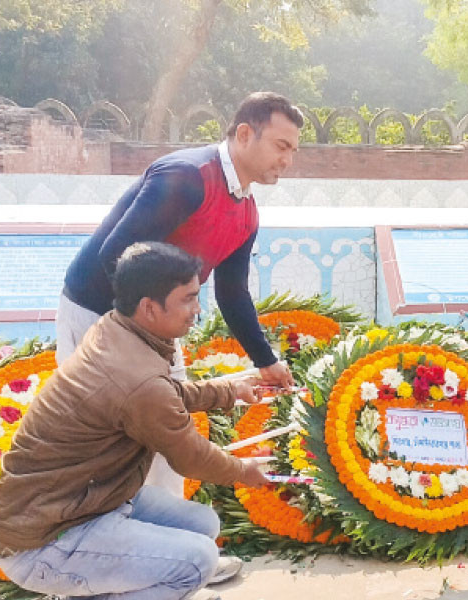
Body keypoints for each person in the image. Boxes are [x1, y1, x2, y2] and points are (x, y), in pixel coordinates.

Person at [0, 242, 274, 600]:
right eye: (187, 299)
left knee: (203, 525)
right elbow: (191, 456)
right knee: (198, 561)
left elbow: (161, 395)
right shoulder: (137, 378)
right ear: (149, 308)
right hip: (45, 540)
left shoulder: (116, 329)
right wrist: (244, 471)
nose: (196, 310)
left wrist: (229, 390)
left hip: (92, 502)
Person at [58, 92, 301, 501]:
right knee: (104, 439)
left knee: (170, 430)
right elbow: (113, 257)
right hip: (98, 314)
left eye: (293, 150)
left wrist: (266, 361)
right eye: (281, 146)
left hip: (154, 326)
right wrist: (136, 345)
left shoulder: (247, 213)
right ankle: (91, 546)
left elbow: (231, 290)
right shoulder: (187, 177)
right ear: (245, 133)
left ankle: (171, 544)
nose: (287, 160)